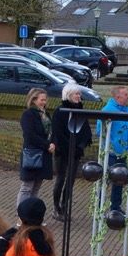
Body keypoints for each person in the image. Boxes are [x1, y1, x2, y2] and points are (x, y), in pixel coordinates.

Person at [51, 83, 92, 221]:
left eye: (79, 94)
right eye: (76, 94)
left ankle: (64, 206)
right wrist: (69, 147)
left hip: (76, 152)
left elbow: (86, 132)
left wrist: (79, 147)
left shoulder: (80, 111)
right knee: (61, 178)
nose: (79, 97)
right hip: (62, 150)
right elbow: (58, 133)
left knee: (71, 181)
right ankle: (56, 208)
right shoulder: (59, 111)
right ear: (69, 95)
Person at [96, 86, 128, 212]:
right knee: (106, 180)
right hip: (111, 153)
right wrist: (111, 145)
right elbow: (100, 131)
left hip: (124, 153)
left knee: (119, 180)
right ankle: (100, 205)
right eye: (126, 94)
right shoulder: (107, 110)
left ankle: (116, 207)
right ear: (118, 97)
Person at [18, 88, 55, 209]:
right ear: (33, 100)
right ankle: (22, 215)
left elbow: (50, 132)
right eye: (41, 100)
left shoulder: (46, 115)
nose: (44, 102)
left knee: (36, 188)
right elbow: (30, 135)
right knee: (27, 187)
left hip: (44, 155)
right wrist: (46, 145)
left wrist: (52, 143)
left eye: (45, 100)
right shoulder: (28, 115)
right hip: (32, 154)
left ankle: (31, 216)